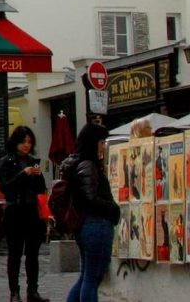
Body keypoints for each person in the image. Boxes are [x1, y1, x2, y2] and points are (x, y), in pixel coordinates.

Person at [63, 123, 120, 302]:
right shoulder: (88, 165)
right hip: (96, 225)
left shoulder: (77, 163)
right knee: (92, 279)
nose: (103, 147)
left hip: (86, 225)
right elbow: (90, 198)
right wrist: (113, 208)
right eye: (101, 142)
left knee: (86, 276)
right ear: (92, 142)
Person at [0, 126, 49, 302]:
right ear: (15, 142)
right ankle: (14, 292)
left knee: (33, 254)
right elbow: (5, 187)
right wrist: (23, 174)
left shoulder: (33, 161)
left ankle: (33, 290)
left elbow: (41, 189)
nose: (26, 145)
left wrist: (38, 176)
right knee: (15, 254)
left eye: (29, 142)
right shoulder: (6, 161)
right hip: (15, 212)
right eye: (23, 141)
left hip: (33, 213)